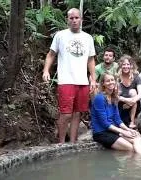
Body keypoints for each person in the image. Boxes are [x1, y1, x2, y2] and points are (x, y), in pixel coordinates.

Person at [42, 8, 96, 144]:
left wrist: (93, 79)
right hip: (66, 80)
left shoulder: (87, 38)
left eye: (76, 18)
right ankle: (60, 143)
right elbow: (51, 54)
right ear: (68, 20)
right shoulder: (60, 36)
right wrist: (46, 70)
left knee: (78, 113)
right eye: (71, 18)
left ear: (81, 20)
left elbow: (91, 59)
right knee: (66, 114)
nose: (74, 20)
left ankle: (72, 143)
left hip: (82, 81)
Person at [91, 72, 141, 155]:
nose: (111, 82)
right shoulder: (99, 98)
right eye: (108, 81)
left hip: (113, 130)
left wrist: (128, 130)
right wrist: (123, 131)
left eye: (112, 80)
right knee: (130, 148)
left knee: (137, 137)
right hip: (101, 133)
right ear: (103, 84)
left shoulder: (114, 97)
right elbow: (105, 123)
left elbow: (117, 119)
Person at [117, 55, 141, 129]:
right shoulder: (117, 77)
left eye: (128, 64)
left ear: (131, 65)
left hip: (133, 105)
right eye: (124, 64)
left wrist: (131, 102)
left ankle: (132, 121)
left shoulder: (136, 76)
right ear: (120, 66)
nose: (126, 66)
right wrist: (125, 100)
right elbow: (114, 94)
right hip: (120, 103)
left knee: (133, 91)